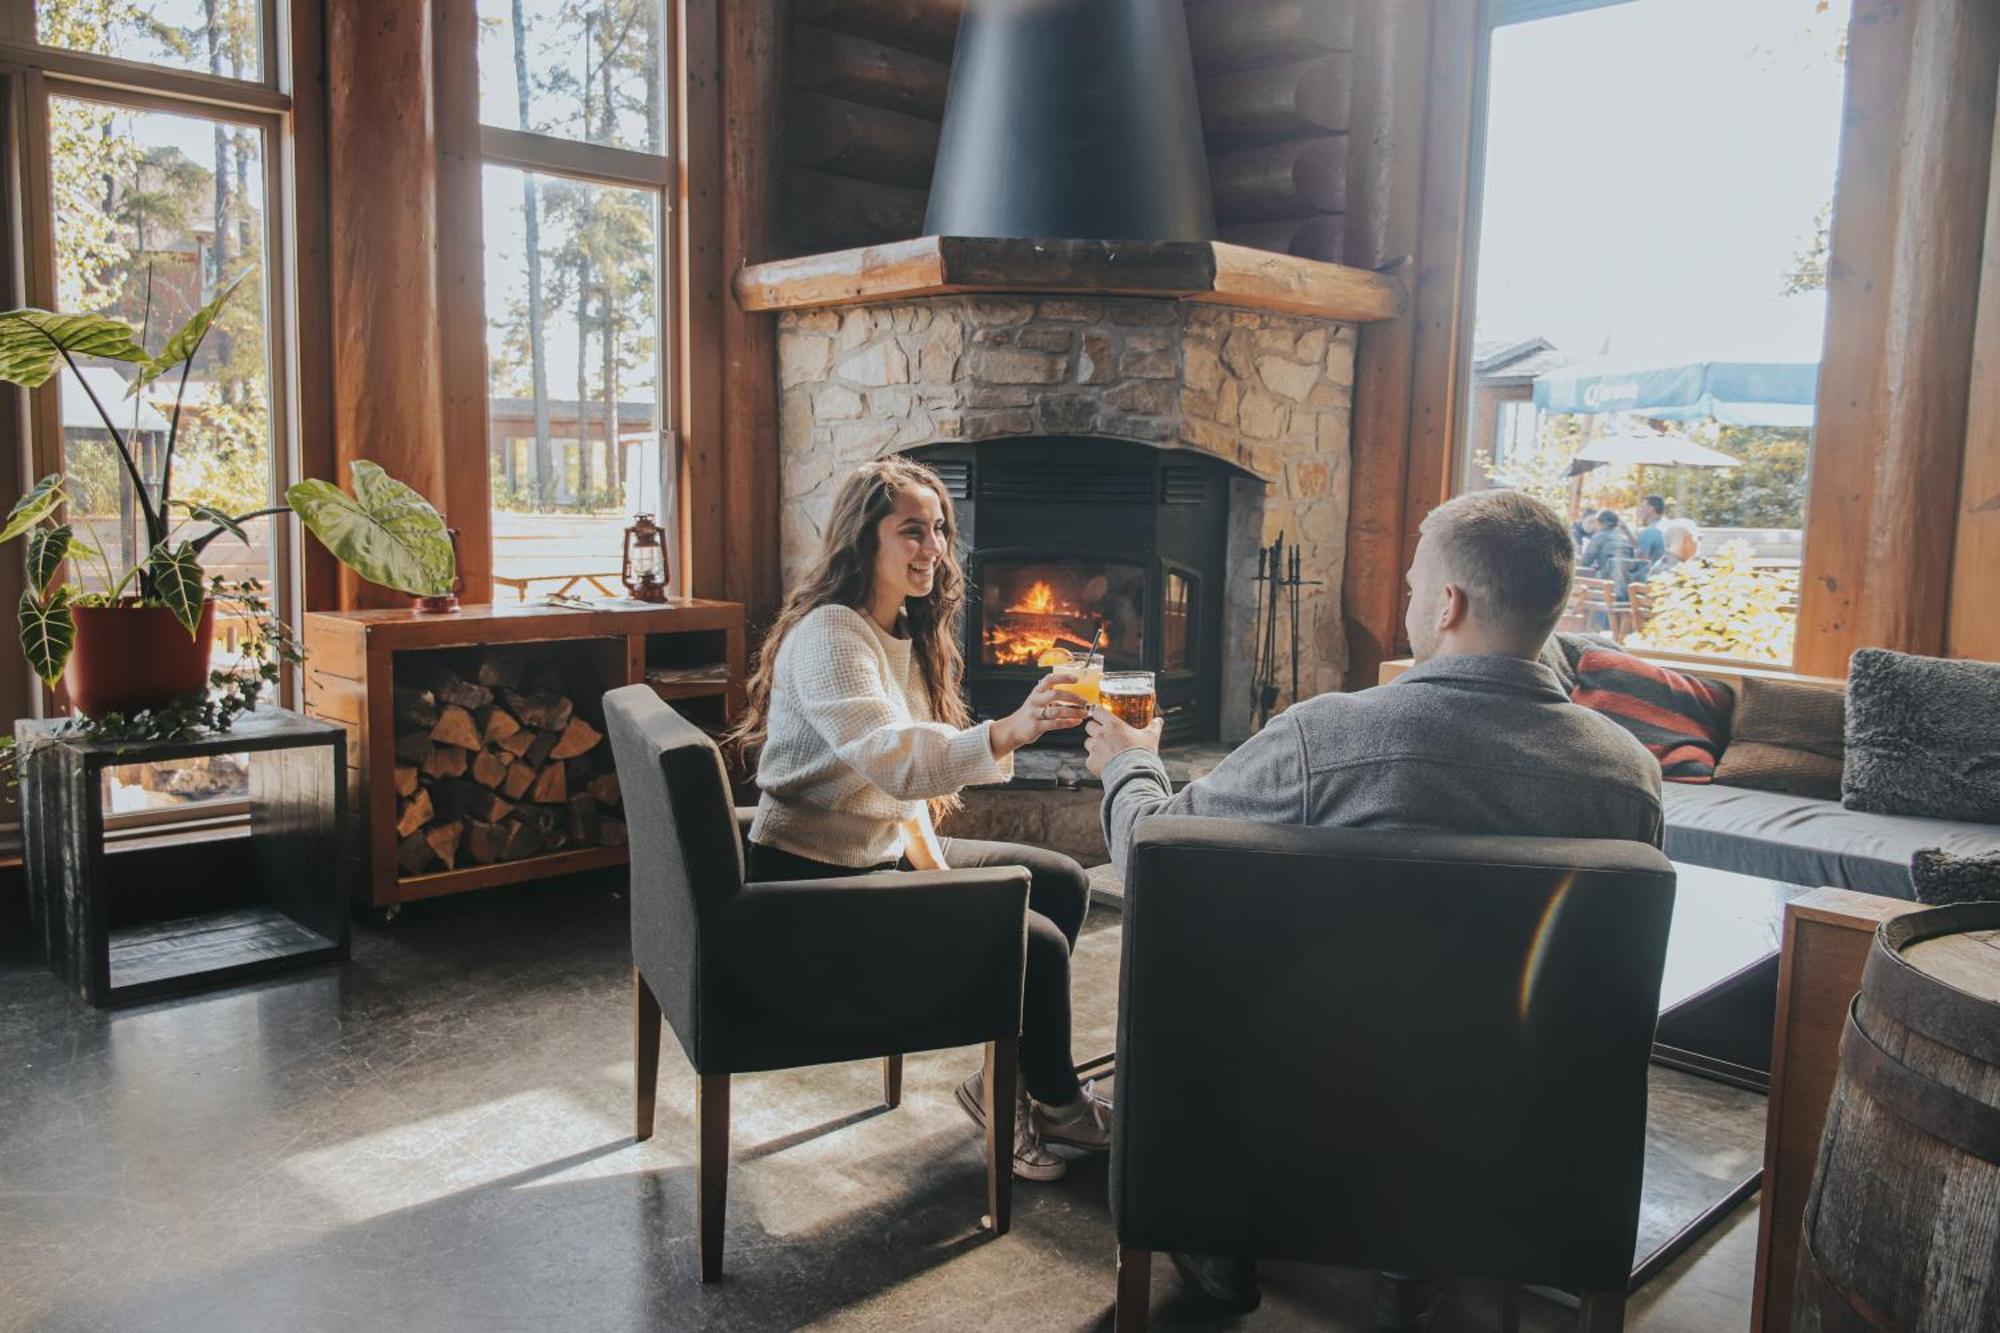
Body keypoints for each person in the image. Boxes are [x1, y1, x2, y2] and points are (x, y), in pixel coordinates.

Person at [1082, 490, 1662, 1323]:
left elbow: (1154, 853)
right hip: (1510, 1121)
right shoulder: (1628, 774)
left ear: (1451, 604)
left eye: (1416, 585)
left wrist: (1131, 765)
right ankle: (1415, 1251)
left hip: (1301, 1101)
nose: (1409, 603)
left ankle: (1220, 1236)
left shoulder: (1328, 739)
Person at [732, 457, 1111, 1182]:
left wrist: (934, 866)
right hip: (813, 883)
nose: (933, 546)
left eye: (938, 528)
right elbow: (894, 758)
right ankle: (1056, 1102)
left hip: (877, 852)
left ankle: (1001, 1089)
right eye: (912, 530)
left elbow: (898, 784)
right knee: (1036, 942)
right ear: (860, 540)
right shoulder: (831, 636)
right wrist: (1010, 730)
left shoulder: (895, 626)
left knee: (1061, 880)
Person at [1634, 494, 1668, 565]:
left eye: (1642, 507)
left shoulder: (1652, 531)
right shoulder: (1665, 524)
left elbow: (1641, 557)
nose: (1639, 510)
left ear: (1650, 509)